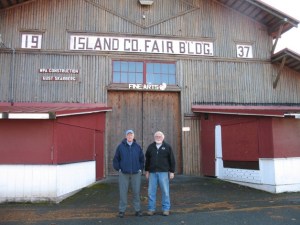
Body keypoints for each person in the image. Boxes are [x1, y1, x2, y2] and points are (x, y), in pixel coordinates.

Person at [113, 129, 145, 218]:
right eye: (128, 135)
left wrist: (140, 169)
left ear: (133, 136)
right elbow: (116, 159)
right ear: (126, 136)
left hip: (136, 173)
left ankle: (137, 210)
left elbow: (142, 159)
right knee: (123, 192)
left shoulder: (137, 147)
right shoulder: (120, 147)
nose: (130, 136)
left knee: (136, 192)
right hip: (124, 173)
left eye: (131, 135)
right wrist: (118, 168)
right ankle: (122, 210)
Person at [145, 131, 176, 216]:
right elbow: (147, 160)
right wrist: (147, 171)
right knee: (151, 192)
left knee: (165, 191)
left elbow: (172, 160)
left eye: (160, 136)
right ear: (154, 137)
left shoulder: (167, 147)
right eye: (156, 136)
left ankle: (166, 209)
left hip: (164, 173)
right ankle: (151, 209)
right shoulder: (150, 147)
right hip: (152, 173)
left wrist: (172, 171)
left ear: (163, 137)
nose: (158, 137)